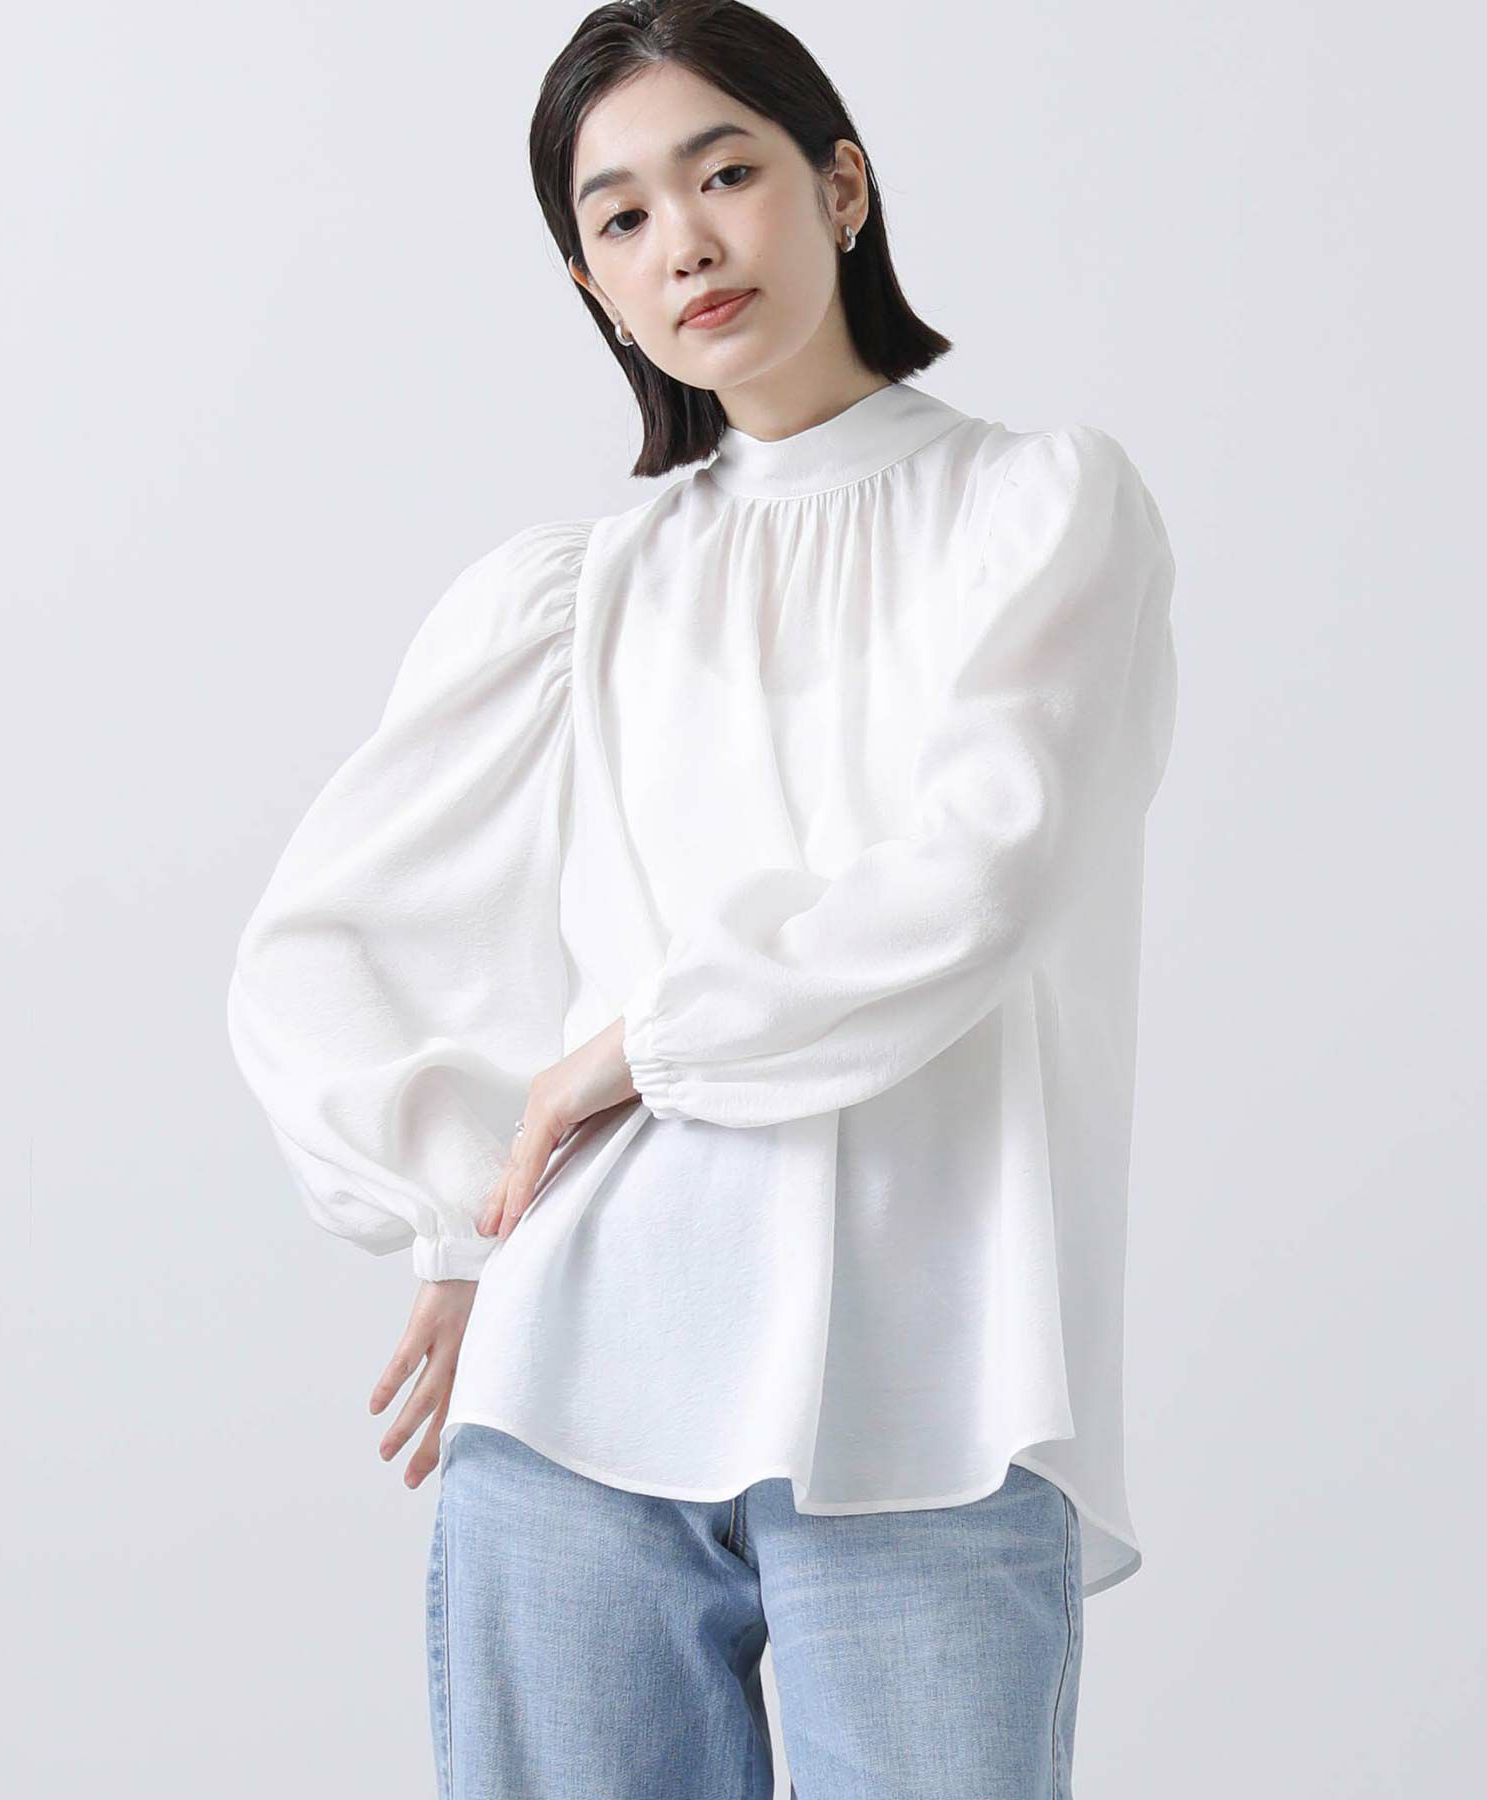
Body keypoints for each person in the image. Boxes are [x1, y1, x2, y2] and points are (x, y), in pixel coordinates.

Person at [226, 2, 1179, 1794]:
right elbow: (330, 945)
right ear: (593, 285)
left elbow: (975, 878)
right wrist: (459, 1217)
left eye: (724, 172)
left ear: (842, 187)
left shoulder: (1037, 510)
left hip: (936, 1399)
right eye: (622, 216)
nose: (685, 241)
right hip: (578, 1387)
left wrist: (630, 1052)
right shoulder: (578, 594)